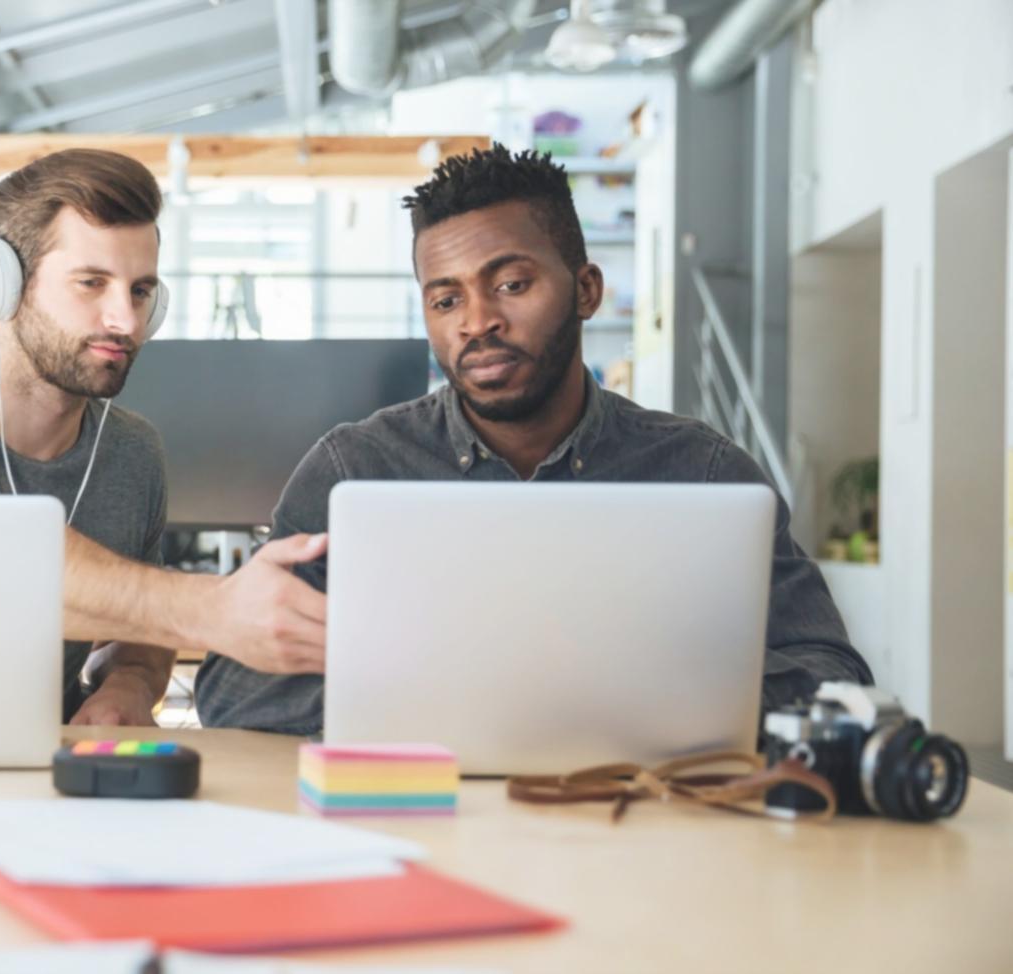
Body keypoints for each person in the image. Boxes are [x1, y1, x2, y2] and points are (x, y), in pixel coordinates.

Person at [195, 145, 873, 735]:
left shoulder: (702, 472)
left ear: (585, 289)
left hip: (638, 833)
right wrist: (474, 687)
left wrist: (650, 692)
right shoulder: (354, 468)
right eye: (446, 300)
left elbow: (833, 675)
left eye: (512, 284)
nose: (478, 322)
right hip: (420, 827)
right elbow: (232, 689)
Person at [0, 149, 328, 725]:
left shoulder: (132, 451)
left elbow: (136, 627)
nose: (127, 321)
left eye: (140, 291)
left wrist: (130, 685)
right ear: (0, 287)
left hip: (44, 772)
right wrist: (215, 608)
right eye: (91, 283)